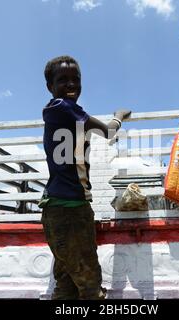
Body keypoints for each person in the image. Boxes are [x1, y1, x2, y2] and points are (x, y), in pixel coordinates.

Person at [39, 55, 131, 300]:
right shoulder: (62, 107)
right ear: (50, 87)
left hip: (64, 209)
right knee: (90, 287)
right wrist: (119, 115)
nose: (71, 85)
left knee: (67, 283)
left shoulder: (64, 116)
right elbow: (109, 131)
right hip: (68, 210)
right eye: (63, 80)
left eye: (76, 79)